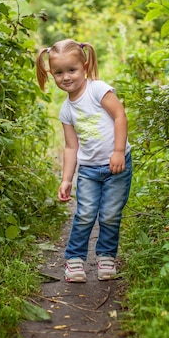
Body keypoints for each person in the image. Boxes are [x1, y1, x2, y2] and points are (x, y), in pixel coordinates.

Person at [35, 38, 132, 282]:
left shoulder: (98, 90)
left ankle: (106, 257)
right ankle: (75, 260)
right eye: (58, 73)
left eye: (72, 70)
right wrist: (66, 179)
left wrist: (118, 151)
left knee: (110, 213)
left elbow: (120, 116)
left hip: (116, 165)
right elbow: (70, 146)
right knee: (86, 213)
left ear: (85, 67)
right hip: (88, 170)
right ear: (51, 74)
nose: (65, 77)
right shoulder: (66, 110)